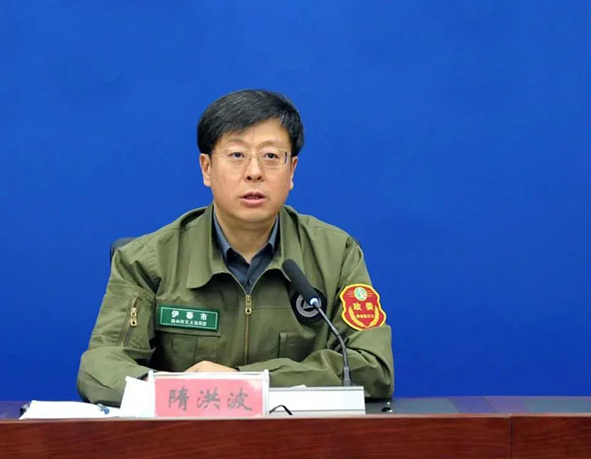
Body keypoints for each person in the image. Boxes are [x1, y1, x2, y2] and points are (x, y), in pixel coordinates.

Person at [77, 89, 394, 406]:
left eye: (271, 156)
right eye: (237, 155)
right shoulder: (147, 261)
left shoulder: (336, 255)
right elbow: (100, 368)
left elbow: (372, 367)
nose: (254, 172)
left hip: (295, 435)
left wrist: (246, 381)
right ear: (206, 168)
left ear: (292, 170)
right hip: (188, 434)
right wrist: (180, 392)